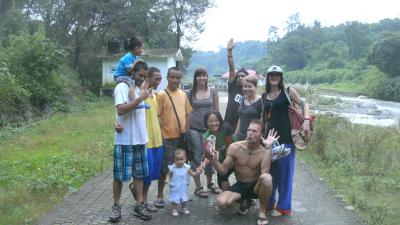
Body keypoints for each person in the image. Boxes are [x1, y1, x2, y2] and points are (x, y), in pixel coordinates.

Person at [206, 119, 278, 225]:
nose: (250, 133)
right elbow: (222, 171)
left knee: (267, 178)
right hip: (241, 185)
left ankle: (262, 213)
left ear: (261, 134)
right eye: (249, 130)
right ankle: (245, 200)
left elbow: (265, 172)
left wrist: (268, 147)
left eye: (254, 131)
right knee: (221, 203)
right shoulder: (235, 147)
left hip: (255, 187)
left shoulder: (264, 150)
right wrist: (213, 159)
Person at [262, 65, 311, 217]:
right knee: (270, 174)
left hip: (286, 140)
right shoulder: (264, 95)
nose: (274, 77)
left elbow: (304, 104)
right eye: (272, 75)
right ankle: (269, 203)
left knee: (284, 175)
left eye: (277, 75)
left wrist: (307, 120)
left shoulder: (288, 91)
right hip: (270, 141)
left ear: (281, 77)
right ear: (268, 77)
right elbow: (264, 118)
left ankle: (283, 207)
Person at [109, 61, 152, 222]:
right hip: (124, 139)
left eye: (144, 76)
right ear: (133, 72)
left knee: (139, 175)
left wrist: (142, 96)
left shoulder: (141, 88)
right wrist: (140, 98)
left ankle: (139, 204)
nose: (142, 78)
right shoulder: (122, 87)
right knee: (119, 176)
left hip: (140, 139)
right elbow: (120, 109)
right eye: (140, 75)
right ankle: (116, 205)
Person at [126, 67, 163, 213]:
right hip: (144, 141)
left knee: (152, 173)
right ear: (148, 77)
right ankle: (141, 201)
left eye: (160, 78)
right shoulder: (139, 93)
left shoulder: (155, 95)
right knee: (144, 174)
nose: (159, 81)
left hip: (157, 140)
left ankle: (144, 200)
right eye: (156, 78)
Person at [153, 67, 192, 208]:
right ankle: (159, 195)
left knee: (182, 168)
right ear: (167, 78)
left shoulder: (183, 94)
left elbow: (187, 115)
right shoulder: (161, 95)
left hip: (181, 139)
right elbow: (156, 116)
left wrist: (186, 134)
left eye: (178, 78)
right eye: (172, 77)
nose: (175, 80)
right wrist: (161, 135)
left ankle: (182, 195)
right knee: (166, 169)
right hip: (167, 138)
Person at [187, 67, 219, 198]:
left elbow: (216, 111)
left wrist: (217, 128)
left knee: (210, 155)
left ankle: (210, 183)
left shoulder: (213, 91)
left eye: (204, 75)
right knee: (196, 156)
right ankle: (198, 186)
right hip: (194, 128)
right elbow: (186, 112)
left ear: (207, 77)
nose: (201, 78)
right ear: (195, 78)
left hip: (209, 130)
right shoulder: (190, 93)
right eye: (199, 75)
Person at [201, 111, 235, 191]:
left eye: (216, 121)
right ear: (206, 122)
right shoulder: (207, 137)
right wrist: (203, 164)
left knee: (242, 173)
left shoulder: (226, 130)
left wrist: (231, 161)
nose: (214, 123)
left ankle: (244, 197)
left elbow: (233, 147)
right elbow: (209, 156)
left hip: (236, 157)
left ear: (220, 121)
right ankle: (228, 197)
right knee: (221, 181)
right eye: (211, 121)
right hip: (223, 160)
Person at [168, 148, 202, 216]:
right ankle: (174, 210)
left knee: (184, 198)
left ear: (185, 159)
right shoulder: (172, 168)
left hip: (183, 186)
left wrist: (197, 173)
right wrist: (166, 179)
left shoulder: (187, 167)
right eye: (177, 160)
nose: (179, 161)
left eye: (181, 159)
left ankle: (184, 208)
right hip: (175, 186)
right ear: (174, 160)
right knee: (175, 198)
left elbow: (193, 174)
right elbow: (168, 174)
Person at [224, 38, 248, 130]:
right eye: (238, 76)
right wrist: (229, 52)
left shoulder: (250, 93)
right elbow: (231, 69)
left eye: (243, 76)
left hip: (243, 127)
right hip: (228, 125)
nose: (240, 77)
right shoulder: (233, 88)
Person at [235, 75, 262, 141]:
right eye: (245, 86)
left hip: (253, 138)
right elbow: (240, 118)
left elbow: (263, 121)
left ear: (255, 87)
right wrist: (235, 134)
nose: (247, 89)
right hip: (240, 136)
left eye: (250, 86)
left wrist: (260, 136)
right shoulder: (243, 98)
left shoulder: (261, 101)